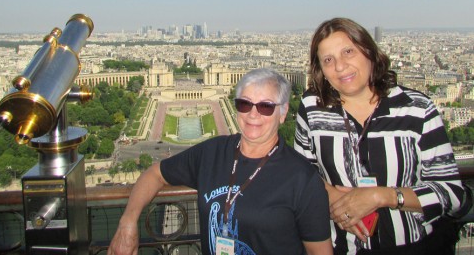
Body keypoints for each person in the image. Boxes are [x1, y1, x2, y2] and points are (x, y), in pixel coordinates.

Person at [109, 68, 333, 255]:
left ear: (283, 113)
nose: (253, 114)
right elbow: (155, 174)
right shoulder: (211, 152)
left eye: (265, 106)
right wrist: (127, 222)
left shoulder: (303, 177)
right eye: (244, 104)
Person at [294, 18, 466, 255]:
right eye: (328, 60)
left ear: (369, 51)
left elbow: (452, 193)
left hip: (412, 248)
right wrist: (332, 196)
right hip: (341, 248)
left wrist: (382, 196)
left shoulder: (417, 109)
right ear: (320, 69)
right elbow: (302, 173)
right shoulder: (312, 108)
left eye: (348, 52)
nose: (340, 66)